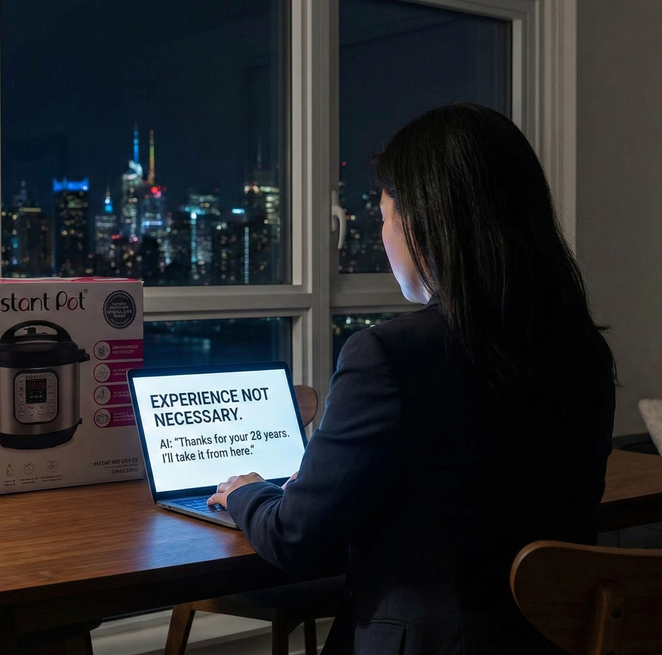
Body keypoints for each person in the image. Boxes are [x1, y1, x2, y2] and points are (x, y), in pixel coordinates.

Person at [207, 103, 617, 654]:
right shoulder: (582, 349)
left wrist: (246, 492)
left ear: (423, 222)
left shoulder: (388, 355)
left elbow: (295, 537)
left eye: (382, 217)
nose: (382, 237)